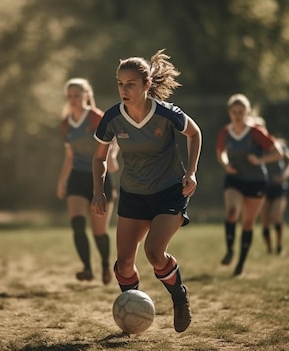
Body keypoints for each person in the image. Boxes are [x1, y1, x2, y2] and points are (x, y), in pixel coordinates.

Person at [91, 49, 202, 333]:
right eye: (120, 83)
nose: (124, 90)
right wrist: (98, 191)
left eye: (131, 84)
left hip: (168, 191)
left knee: (154, 252)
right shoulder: (112, 117)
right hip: (133, 195)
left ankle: (179, 297)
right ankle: (133, 313)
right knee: (124, 265)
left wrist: (191, 172)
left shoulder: (165, 113)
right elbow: (99, 158)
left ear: (146, 85)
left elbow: (195, 133)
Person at [56, 77, 118, 285]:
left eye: (77, 95)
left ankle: (105, 265)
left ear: (86, 96)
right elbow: (70, 156)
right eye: (70, 96)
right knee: (77, 224)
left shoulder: (95, 117)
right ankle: (87, 268)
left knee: (99, 232)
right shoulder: (66, 124)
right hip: (77, 177)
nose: (73, 99)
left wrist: (111, 157)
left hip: (98, 178)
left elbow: (113, 140)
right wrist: (62, 181)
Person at [216, 94, 283, 276]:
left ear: (247, 112)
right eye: (234, 112)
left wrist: (260, 159)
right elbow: (221, 152)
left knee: (247, 223)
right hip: (235, 179)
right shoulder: (226, 132)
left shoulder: (255, 132)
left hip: (256, 182)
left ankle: (240, 264)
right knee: (231, 212)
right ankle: (230, 250)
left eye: (241, 111)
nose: (237, 115)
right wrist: (225, 163)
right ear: (229, 113)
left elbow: (278, 152)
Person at [260, 136, 289, 255]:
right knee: (265, 221)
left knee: (276, 217)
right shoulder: (255, 146)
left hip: (279, 187)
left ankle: (279, 247)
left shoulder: (276, 144)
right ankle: (269, 250)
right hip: (264, 187)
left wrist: (285, 175)